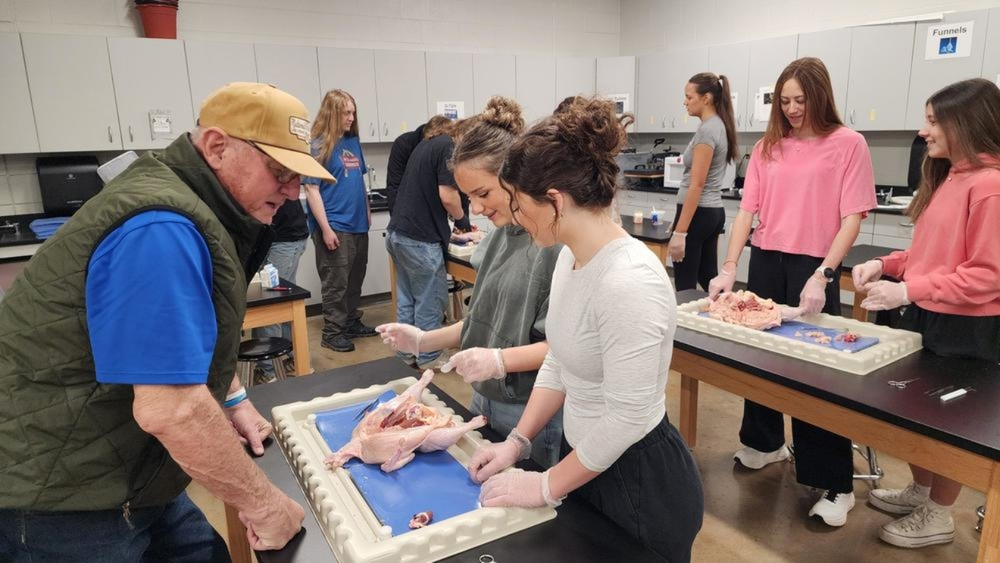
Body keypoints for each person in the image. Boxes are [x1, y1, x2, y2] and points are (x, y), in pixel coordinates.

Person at [0, 82, 323, 560]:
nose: (293, 192)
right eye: (280, 172)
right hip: (61, 491)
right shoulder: (162, 228)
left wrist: (233, 398)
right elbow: (172, 410)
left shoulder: (195, 205)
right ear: (217, 146)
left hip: (133, 474)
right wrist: (265, 506)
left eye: (299, 177)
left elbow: (186, 334)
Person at [467, 97, 704, 562]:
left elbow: (628, 417)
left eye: (519, 204)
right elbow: (560, 358)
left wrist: (545, 485)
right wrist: (518, 442)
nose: (514, 216)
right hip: (585, 461)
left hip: (639, 481)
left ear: (554, 200)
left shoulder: (628, 279)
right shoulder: (570, 259)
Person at [707, 57, 876, 527]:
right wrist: (728, 268)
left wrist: (824, 274)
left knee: (816, 374)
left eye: (801, 100)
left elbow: (852, 218)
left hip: (812, 266)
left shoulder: (849, 144)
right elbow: (746, 213)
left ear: (820, 97)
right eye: (784, 101)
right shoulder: (768, 147)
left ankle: (836, 483)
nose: (793, 109)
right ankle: (764, 443)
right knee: (759, 358)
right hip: (766, 260)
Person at [375, 96, 564, 468]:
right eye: (468, 197)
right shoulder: (499, 237)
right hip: (484, 398)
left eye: (483, 194)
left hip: (531, 410)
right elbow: (484, 322)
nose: (475, 209)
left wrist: (500, 360)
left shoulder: (553, 247)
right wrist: (424, 339)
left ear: (516, 177)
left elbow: (566, 350)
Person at [853, 77, 1000, 549]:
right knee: (916, 412)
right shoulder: (951, 177)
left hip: (966, 327)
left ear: (966, 124)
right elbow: (930, 253)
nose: (923, 131)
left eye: (934, 121)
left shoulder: (990, 186)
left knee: (950, 423)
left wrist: (907, 290)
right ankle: (922, 491)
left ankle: (939, 514)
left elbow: (988, 276)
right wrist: (887, 265)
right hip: (926, 311)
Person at [385, 117, 474, 369]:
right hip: (420, 241)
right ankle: (428, 357)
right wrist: (463, 220)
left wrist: (449, 231)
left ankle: (405, 354)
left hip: (399, 234)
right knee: (429, 300)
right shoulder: (448, 146)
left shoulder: (428, 144)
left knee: (407, 299)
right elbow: (448, 196)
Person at [305, 89, 378, 354]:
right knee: (336, 283)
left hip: (358, 223)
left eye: (353, 112)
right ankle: (332, 332)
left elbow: (359, 180)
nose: (351, 118)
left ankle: (350, 322)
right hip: (335, 225)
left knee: (355, 279)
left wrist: (367, 212)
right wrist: (325, 229)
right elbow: (311, 189)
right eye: (346, 112)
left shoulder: (352, 142)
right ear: (332, 113)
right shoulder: (317, 145)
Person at [669, 72, 738, 291]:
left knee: (684, 285)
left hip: (699, 213)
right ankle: (723, 312)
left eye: (689, 97)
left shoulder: (708, 130)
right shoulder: (717, 125)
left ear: (706, 98)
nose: (685, 102)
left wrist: (680, 232)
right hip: (711, 212)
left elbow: (696, 184)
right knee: (709, 280)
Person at [253, 197, 309, 379]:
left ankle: (268, 370)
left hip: (285, 238)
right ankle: (291, 357)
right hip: (276, 236)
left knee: (271, 302)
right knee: (283, 302)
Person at [386, 115, 452, 215]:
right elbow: (394, 186)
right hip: (407, 207)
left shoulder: (446, 147)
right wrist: (396, 216)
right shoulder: (403, 144)